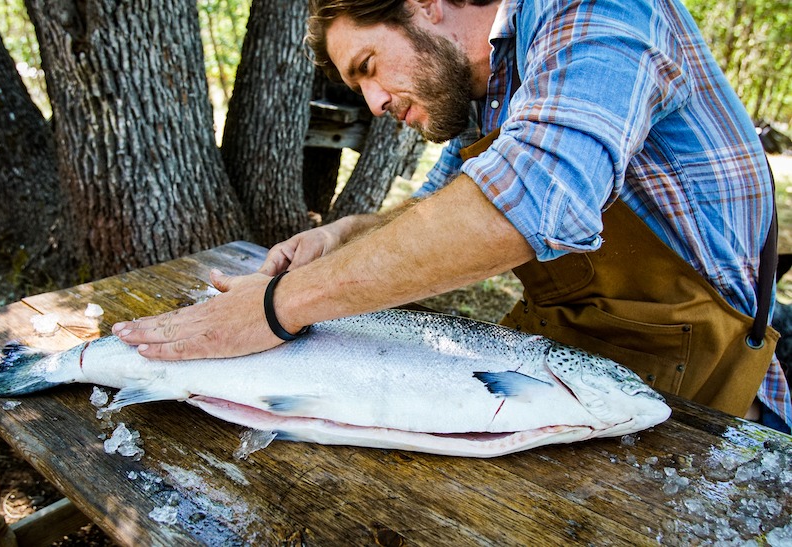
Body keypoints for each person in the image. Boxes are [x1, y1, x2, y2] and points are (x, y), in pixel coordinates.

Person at [112, 0, 791, 432]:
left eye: (371, 65)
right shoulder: (490, 90)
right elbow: (447, 205)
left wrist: (274, 306)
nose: (376, 101)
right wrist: (346, 233)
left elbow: (531, 197)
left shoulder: (600, 14)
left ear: (426, 5)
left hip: (701, 383)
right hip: (567, 352)